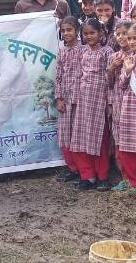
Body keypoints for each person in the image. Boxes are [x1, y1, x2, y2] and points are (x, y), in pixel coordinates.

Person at [71, 18, 113, 191]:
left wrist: (110, 103)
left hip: (99, 101)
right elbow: (78, 75)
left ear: (101, 33)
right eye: (85, 33)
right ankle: (88, 176)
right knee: (81, 139)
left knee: (99, 141)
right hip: (83, 102)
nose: (89, 36)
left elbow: (111, 79)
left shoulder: (107, 52)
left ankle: (102, 176)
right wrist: (74, 99)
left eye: (92, 33)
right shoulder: (82, 51)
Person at [110, 22, 136, 191]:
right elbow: (120, 84)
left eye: (135, 38)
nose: (131, 41)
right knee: (127, 145)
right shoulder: (124, 58)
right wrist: (124, 69)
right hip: (126, 107)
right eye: (129, 38)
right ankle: (134, 181)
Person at [55, 16, 84, 183]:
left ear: (76, 31)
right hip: (65, 99)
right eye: (63, 30)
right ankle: (72, 168)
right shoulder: (62, 51)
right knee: (65, 135)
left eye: (69, 30)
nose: (66, 33)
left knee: (78, 136)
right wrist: (59, 98)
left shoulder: (84, 50)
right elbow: (58, 76)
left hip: (79, 99)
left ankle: (83, 171)